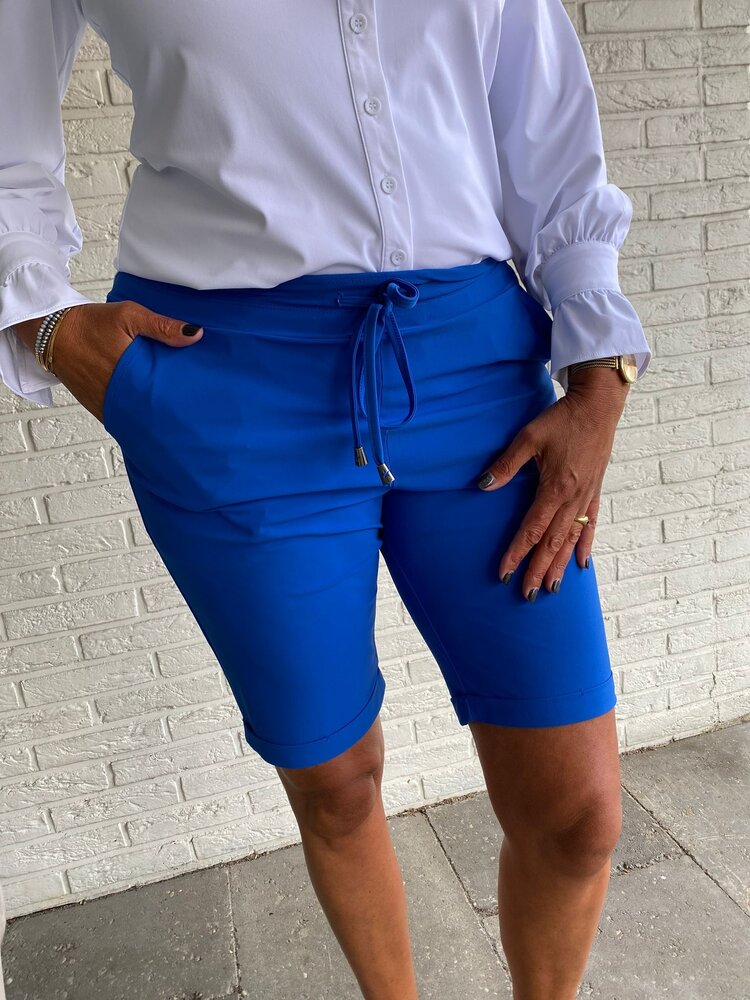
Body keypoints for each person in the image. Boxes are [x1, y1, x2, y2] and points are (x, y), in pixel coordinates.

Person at [1, 2, 652, 997]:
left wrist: (602, 371)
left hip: (477, 374)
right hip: (225, 382)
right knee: (336, 783)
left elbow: (550, 142)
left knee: (579, 817)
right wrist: (45, 320)